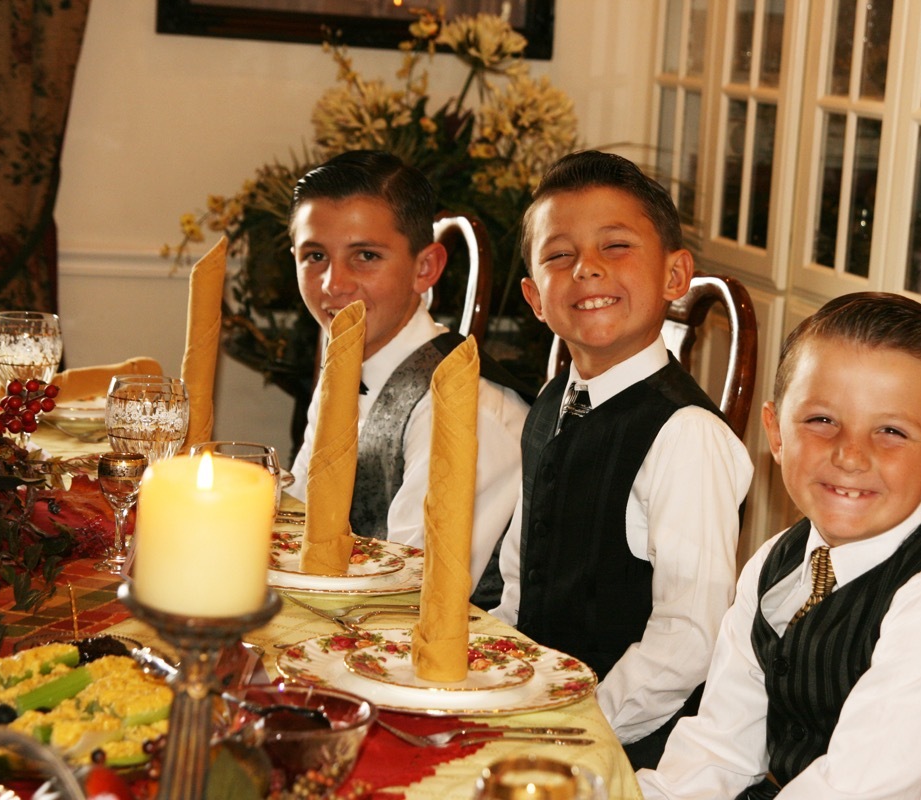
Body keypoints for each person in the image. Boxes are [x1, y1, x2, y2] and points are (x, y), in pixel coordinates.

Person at [637, 292, 921, 799]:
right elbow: (718, 751)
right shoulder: (773, 564)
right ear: (776, 434)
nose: (849, 455)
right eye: (822, 420)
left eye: (891, 431)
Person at [489, 150, 754, 769]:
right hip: (538, 713)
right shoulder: (555, 400)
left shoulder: (686, 436)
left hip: (630, 751)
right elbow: (520, 579)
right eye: (559, 255)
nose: (587, 268)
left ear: (674, 274)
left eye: (617, 246)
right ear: (533, 296)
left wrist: (576, 729)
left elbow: (688, 639)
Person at [286, 150, 531, 599]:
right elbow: (298, 514)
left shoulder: (463, 408)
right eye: (315, 255)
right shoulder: (347, 362)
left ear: (425, 268)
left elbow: (411, 589)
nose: (332, 284)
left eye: (365, 255)